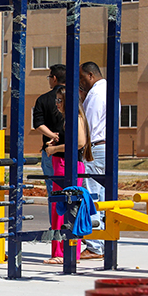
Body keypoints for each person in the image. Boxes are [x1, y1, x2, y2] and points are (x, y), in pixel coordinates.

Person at [43, 86, 93, 264]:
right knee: (68, 209)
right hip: (64, 165)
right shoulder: (69, 119)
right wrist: (57, 140)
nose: (57, 104)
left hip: (67, 166)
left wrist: (54, 149)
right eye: (56, 100)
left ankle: (62, 253)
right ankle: (69, 252)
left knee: (63, 209)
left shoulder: (76, 118)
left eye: (60, 100)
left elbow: (79, 143)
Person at [78, 61, 107, 259]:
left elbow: (87, 127)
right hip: (105, 146)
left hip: (94, 147)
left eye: (82, 78)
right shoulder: (110, 90)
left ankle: (95, 245)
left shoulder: (95, 95)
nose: (81, 82)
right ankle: (102, 242)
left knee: (92, 196)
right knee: (102, 197)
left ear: (90, 75)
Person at [33, 64, 67, 183]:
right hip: (72, 151)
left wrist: (53, 136)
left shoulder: (43, 99)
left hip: (50, 149)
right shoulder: (76, 97)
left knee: (53, 188)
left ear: (54, 78)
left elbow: (38, 124)